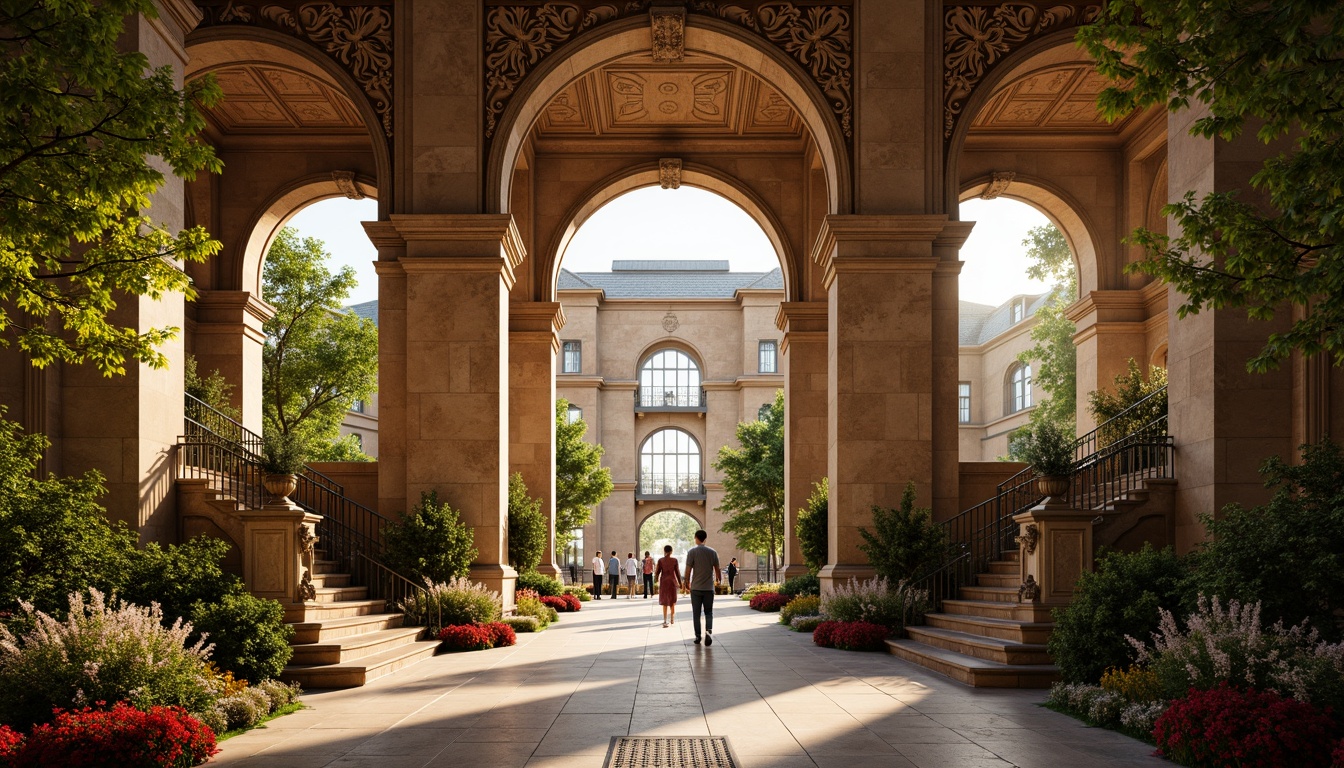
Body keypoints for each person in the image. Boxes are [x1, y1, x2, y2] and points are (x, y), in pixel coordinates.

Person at [683, 529, 722, 646]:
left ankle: (698, 636)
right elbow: (717, 569)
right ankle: (708, 632)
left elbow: (688, 570)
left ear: (696, 538)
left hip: (696, 588)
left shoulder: (692, 552)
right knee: (708, 612)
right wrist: (718, 580)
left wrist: (686, 583)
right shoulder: (713, 552)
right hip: (709, 588)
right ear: (705, 539)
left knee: (696, 613)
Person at [655, 544, 681, 627]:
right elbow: (677, 573)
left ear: (664, 551)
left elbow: (657, 572)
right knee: (672, 601)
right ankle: (672, 618)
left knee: (665, 601)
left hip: (664, 582)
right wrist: (680, 583)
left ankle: (665, 620)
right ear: (671, 551)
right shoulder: (674, 560)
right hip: (672, 582)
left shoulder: (660, 560)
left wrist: (655, 581)